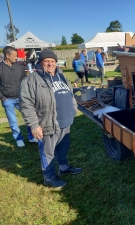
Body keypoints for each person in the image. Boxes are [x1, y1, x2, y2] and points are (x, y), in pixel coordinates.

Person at [19, 48, 81, 188]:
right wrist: (34, 125)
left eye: (52, 61)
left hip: (65, 121)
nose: (50, 64)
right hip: (47, 123)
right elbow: (26, 104)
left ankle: (64, 168)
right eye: (46, 61)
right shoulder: (31, 80)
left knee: (63, 147)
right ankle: (49, 177)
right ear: (40, 63)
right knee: (47, 152)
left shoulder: (61, 75)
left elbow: (69, 92)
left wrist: (74, 105)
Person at [0, 46, 37, 147]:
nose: (17, 58)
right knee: (13, 121)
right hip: (7, 99)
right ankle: (18, 138)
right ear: (7, 55)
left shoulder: (19, 67)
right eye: (15, 56)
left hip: (21, 97)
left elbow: (24, 81)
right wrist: (3, 98)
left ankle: (32, 136)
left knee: (28, 117)